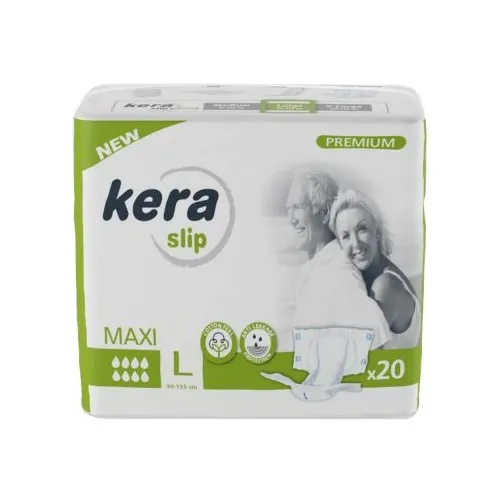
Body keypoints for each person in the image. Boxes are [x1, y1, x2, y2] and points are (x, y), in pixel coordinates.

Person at [261, 170, 392, 401]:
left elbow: (376, 349)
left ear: (323, 213)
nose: (291, 218)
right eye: (288, 208)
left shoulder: (338, 273)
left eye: (298, 207)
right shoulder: (315, 268)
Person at [329, 189, 419, 342]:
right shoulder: (362, 279)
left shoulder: (385, 286)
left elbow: (360, 350)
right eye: (346, 236)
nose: (356, 243)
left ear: (377, 231)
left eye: (362, 229)